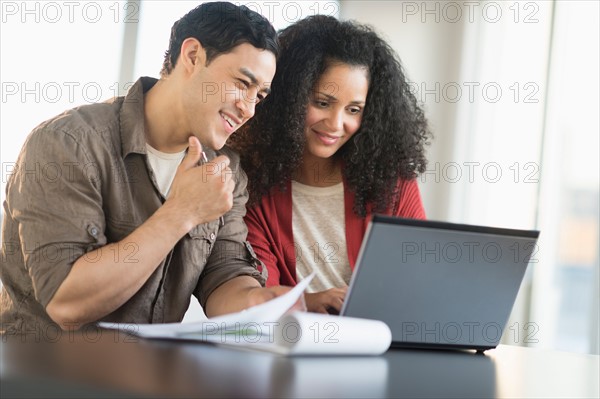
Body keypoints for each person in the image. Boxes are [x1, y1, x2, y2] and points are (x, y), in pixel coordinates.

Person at [0, 2, 289, 334]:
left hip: (146, 376)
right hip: (40, 373)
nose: (249, 109)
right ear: (193, 55)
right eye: (242, 83)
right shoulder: (67, 144)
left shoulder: (226, 171)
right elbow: (67, 303)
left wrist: (260, 302)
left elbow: (225, 274)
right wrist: (181, 213)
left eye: (259, 95)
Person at [230, 15, 432, 314]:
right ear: (289, 98)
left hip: (379, 345)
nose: (336, 125)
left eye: (354, 110)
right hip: (289, 348)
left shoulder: (391, 181)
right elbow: (259, 297)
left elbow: (418, 283)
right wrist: (310, 303)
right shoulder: (253, 183)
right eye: (322, 103)